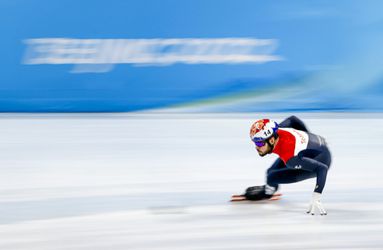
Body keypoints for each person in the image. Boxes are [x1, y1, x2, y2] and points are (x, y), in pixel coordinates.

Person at [231, 116, 332, 215]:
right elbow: (293, 119)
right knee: (269, 172)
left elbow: (322, 168)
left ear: (271, 140)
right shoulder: (278, 129)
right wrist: (308, 137)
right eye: (255, 142)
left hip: (322, 160)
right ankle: (270, 188)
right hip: (314, 147)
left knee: (272, 177)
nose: (257, 147)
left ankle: (267, 193)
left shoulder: (290, 158)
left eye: (260, 143)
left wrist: (316, 195)